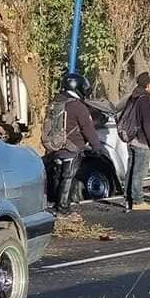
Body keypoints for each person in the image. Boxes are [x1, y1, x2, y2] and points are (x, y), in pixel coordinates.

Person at [45, 72, 102, 215]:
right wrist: (97, 146)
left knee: (58, 176)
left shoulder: (55, 103)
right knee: (68, 177)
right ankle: (63, 207)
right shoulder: (77, 106)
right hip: (72, 147)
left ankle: (56, 204)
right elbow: (87, 127)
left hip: (55, 147)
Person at [124, 72, 150, 211]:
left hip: (132, 138)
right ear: (148, 85)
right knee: (139, 171)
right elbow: (148, 124)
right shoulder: (146, 100)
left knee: (132, 170)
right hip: (142, 141)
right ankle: (138, 200)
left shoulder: (134, 97)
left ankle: (128, 198)